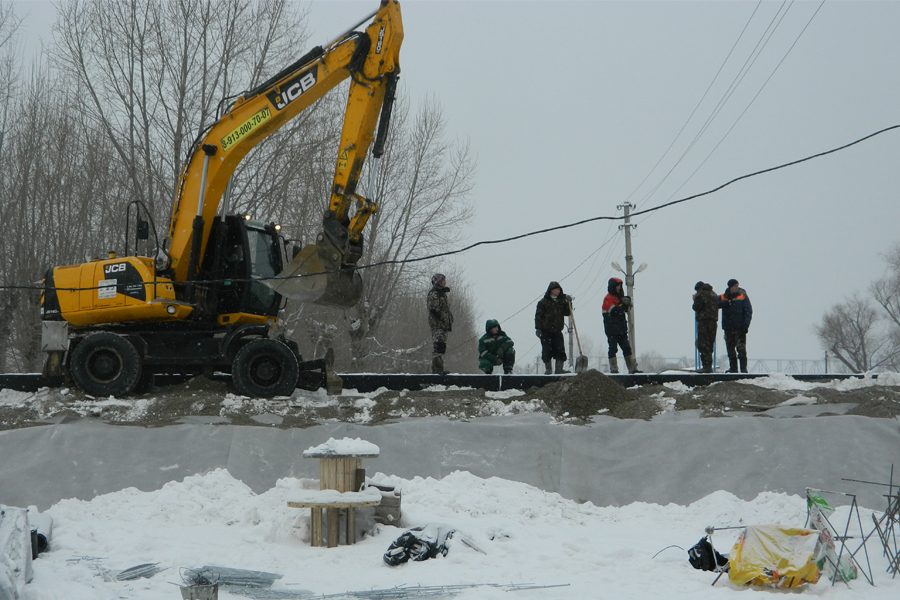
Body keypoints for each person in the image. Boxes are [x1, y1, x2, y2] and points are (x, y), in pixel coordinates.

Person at [602, 277, 640, 373]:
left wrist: (627, 303)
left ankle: (632, 368)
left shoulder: (619, 298)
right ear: (613, 287)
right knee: (613, 348)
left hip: (621, 329)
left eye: (620, 286)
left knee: (627, 348)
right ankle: (614, 369)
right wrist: (623, 305)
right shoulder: (608, 298)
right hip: (611, 330)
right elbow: (614, 311)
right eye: (617, 286)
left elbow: (626, 309)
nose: (619, 288)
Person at [534, 281, 571, 374]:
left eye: (559, 289)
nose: (558, 291)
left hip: (557, 330)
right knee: (547, 351)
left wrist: (568, 302)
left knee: (560, 350)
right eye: (556, 289)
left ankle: (559, 369)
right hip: (545, 331)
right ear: (551, 290)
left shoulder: (561, 301)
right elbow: (538, 316)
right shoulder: (543, 302)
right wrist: (538, 328)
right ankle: (548, 369)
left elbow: (568, 312)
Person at [719, 278, 752, 373]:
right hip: (728, 328)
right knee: (730, 350)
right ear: (730, 287)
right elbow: (715, 303)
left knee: (741, 350)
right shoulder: (724, 296)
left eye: (737, 286)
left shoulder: (743, 296)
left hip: (740, 328)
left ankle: (743, 370)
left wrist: (745, 325)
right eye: (734, 286)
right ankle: (733, 369)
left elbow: (748, 311)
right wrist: (725, 303)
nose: (736, 288)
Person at [426, 273, 453, 374]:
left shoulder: (442, 293)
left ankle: (439, 369)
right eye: (443, 280)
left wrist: (449, 319)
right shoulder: (434, 293)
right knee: (438, 346)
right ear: (438, 282)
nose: (445, 282)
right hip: (438, 325)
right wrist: (443, 318)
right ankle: (437, 370)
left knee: (441, 346)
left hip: (443, 325)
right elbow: (434, 309)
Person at [692, 281, 719, 373]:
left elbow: (696, 307)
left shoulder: (701, 294)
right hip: (713, 322)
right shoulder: (714, 294)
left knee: (703, 344)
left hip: (704, 322)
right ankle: (709, 365)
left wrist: (695, 299)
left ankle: (706, 366)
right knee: (710, 344)